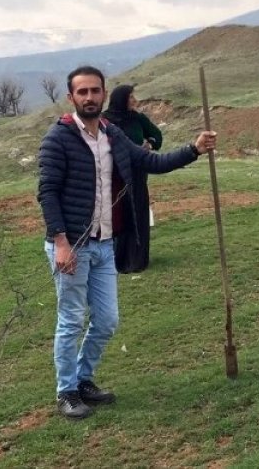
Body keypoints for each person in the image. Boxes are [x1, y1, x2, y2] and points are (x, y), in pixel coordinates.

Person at [37, 65, 218, 419]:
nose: (89, 97)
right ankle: (67, 391)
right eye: (82, 92)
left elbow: (150, 160)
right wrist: (60, 242)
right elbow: (47, 192)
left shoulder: (112, 134)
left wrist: (193, 150)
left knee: (106, 321)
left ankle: (84, 380)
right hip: (71, 245)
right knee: (71, 319)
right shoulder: (57, 138)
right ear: (71, 97)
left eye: (95, 91)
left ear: (104, 93)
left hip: (104, 245)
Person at [102, 83, 164, 273]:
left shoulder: (137, 119)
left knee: (137, 211)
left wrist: (150, 146)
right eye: (130, 97)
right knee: (117, 213)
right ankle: (115, 259)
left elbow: (156, 135)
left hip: (137, 173)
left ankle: (137, 259)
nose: (134, 101)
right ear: (121, 99)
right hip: (113, 175)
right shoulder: (104, 120)